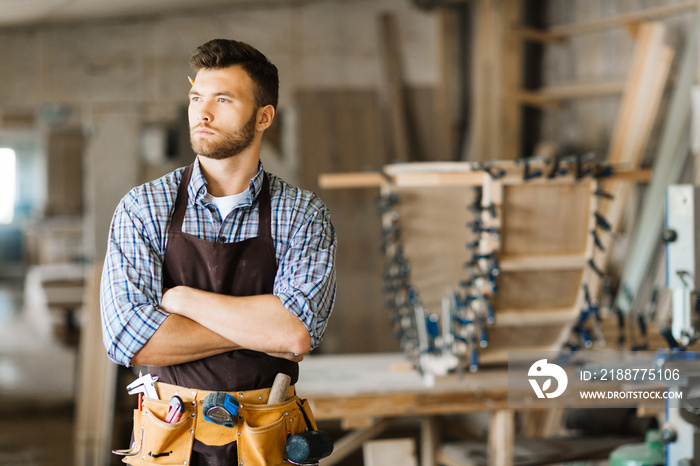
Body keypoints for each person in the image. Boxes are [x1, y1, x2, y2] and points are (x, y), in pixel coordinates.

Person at [100, 38, 337, 465]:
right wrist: (263, 328)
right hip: (170, 438)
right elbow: (128, 339)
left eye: (223, 100)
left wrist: (183, 301)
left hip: (266, 440)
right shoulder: (144, 207)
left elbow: (295, 333)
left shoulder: (301, 213)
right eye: (196, 98)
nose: (202, 114)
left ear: (264, 117)